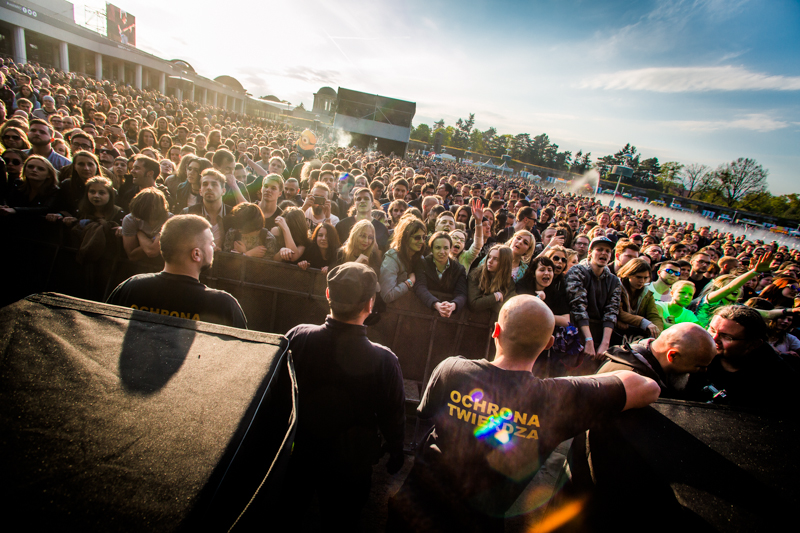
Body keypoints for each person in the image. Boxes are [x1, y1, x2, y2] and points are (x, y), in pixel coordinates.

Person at [388, 295, 660, 531]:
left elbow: (426, 413)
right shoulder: (556, 399)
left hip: (412, 508)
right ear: (550, 343)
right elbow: (647, 387)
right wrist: (566, 387)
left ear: (496, 331)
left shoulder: (452, 368)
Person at [279, 262, 405, 525]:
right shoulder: (384, 360)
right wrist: (395, 451)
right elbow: (392, 415)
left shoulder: (297, 337)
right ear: (370, 305)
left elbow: (277, 394)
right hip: (350, 465)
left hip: (297, 456)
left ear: (328, 295)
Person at [108, 214, 247, 328]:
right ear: (196, 254)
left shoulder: (130, 288)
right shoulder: (223, 306)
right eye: (211, 243)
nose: (215, 246)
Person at [685, 306, 796, 410]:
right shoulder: (695, 356)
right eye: (712, 330)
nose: (714, 339)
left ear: (753, 344)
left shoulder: (778, 379)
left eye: (727, 337)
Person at [565, 236, 622, 374]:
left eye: (608, 251)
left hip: (600, 332)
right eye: (600, 249)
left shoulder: (614, 280)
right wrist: (588, 340)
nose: (604, 253)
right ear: (590, 252)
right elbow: (578, 306)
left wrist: (605, 343)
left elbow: (612, 311)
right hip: (577, 332)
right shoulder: (577, 271)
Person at [414, 231, 468, 317]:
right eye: (438, 248)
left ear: (450, 249)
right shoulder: (423, 263)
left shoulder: (459, 269)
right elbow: (420, 287)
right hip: (422, 312)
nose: (442, 252)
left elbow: (461, 294)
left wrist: (452, 306)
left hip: (448, 317)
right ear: (431, 249)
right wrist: (436, 304)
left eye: (446, 248)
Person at [380, 215, 427, 304]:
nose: (421, 241)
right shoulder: (392, 258)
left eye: (424, 237)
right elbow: (387, 295)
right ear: (405, 238)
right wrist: (409, 282)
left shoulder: (420, 259)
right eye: (417, 238)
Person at [616, 258, 663, 340]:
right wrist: (643, 322)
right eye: (638, 277)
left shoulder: (647, 293)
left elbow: (653, 315)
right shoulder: (616, 287)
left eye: (645, 278)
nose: (642, 281)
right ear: (628, 274)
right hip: (615, 332)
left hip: (636, 333)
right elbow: (618, 312)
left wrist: (657, 331)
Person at [467, 244, 516, 315]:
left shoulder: (508, 282)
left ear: (505, 263)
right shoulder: (476, 275)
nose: (490, 261)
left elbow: (507, 310)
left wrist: (486, 300)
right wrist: (496, 296)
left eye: (496, 259)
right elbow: (474, 304)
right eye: (489, 257)